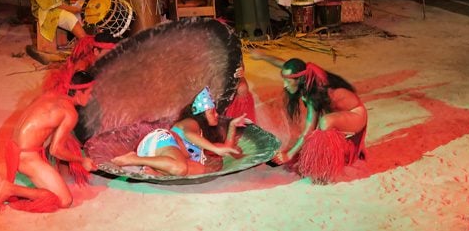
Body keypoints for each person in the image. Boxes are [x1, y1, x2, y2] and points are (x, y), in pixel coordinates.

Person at [251, 51, 367, 183]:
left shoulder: (314, 91)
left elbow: (309, 130)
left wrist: (289, 155)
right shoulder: (304, 73)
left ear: (298, 79)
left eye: (287, 81)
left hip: (356, 115)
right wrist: (263, 56)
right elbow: (283, 64)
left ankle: (325, 169)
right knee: (320, 127)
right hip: (341, 114)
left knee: (325, 122)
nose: (284, 85)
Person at [0, 69, 98, 212]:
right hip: (26, 157)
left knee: (56, 180)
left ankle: (31, 181)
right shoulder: (70, 112)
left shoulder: (51, 94)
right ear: (79, 92)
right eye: (90, 93)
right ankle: (11, 189)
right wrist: (81, 160)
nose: (92, 97)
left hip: (13, 148)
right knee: (65, 200)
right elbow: (56, 150)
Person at [110, 86, 247, 176]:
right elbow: (189, 135)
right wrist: (215, 149)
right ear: (201, 115)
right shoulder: (191, 123)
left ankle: (157, 172)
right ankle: (135, 159)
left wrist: (232, 126)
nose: (216, 115)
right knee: (181, 168)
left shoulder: (202, 143)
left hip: (165, 157)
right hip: (162, 142)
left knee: (200, 169)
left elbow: (227, 149)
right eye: (212, 112)